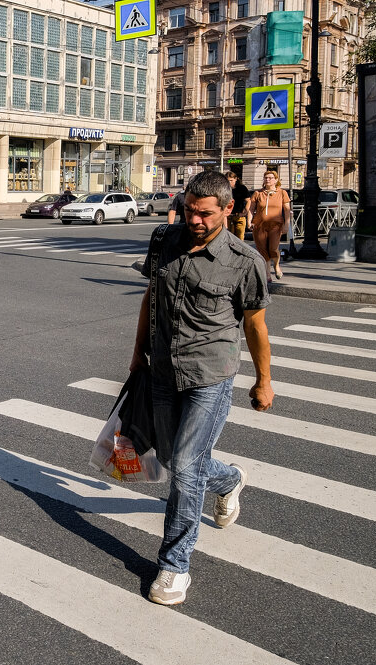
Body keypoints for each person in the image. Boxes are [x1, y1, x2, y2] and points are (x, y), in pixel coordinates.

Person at [131, 170, 274, 606]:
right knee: (173, 458)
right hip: (161, 371)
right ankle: (230, 480)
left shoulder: (245, 262)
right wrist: (137, 354)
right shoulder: (164, 239)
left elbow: (255, 325)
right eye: (190, 209)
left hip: (209, 375)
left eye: (204, 213)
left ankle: (175, 566)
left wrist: (263, 380)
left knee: (188, 470)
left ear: (228, 210)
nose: (193, 219)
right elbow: (151, 297)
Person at [247, 171, 290, 280]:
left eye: (270, 178)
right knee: (262, 250)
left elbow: (287, 210)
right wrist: (249, 221)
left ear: (276, 180)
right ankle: (267, 273)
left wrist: (286, 225)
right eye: (266, 177)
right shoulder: (258, 193)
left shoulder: (282, 193)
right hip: (259, 225)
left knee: (273, 248)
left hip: (275, 225)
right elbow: (251, 209)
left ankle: (276, 266)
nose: (268, 179)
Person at [225, 171, 250, 240]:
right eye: (227, 180)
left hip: (239, 216)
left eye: (231, 180)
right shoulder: (225, 189)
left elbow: (248, 200)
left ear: (236, 179)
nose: (229, 182)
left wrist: (245, 212)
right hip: (228, 217)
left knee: (240, 238)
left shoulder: (242, 188)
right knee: (229, 238)